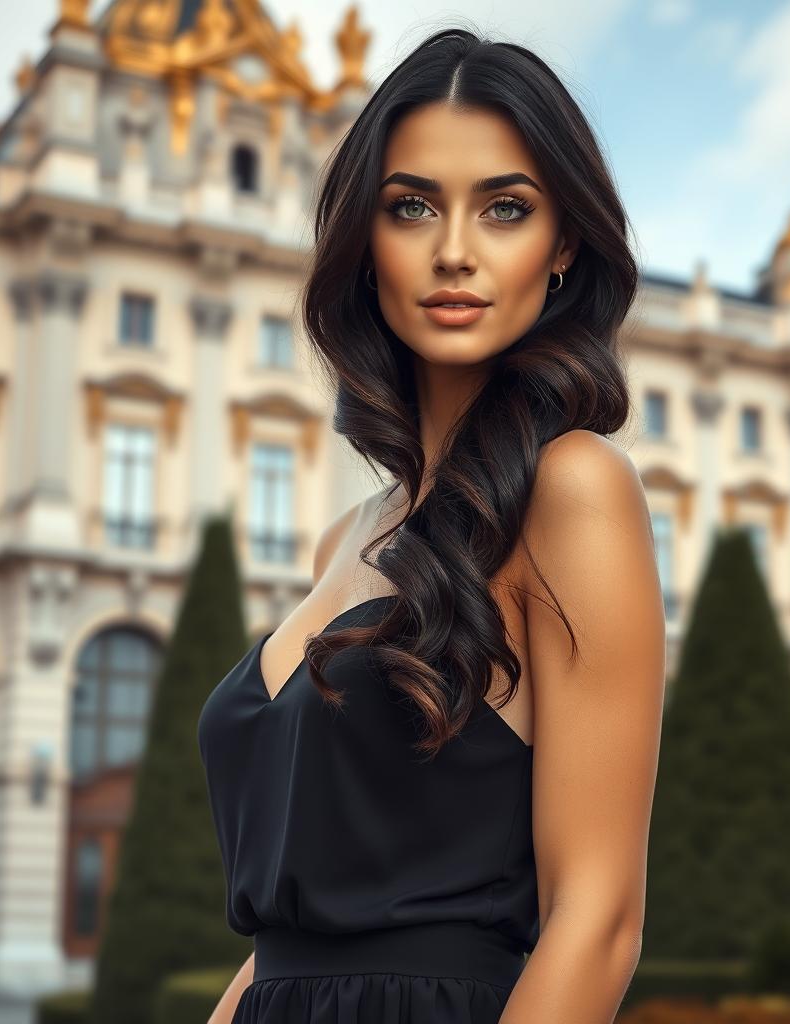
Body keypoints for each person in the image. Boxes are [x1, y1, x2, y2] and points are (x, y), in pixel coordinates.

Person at [198, 22, 666, 1024]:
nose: (454, 252)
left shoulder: (571, 488)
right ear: (366, 245)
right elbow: (284, 944)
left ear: (563, 245)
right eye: (410, 206)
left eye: (505, 208)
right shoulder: (345, 539)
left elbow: (599, 918)